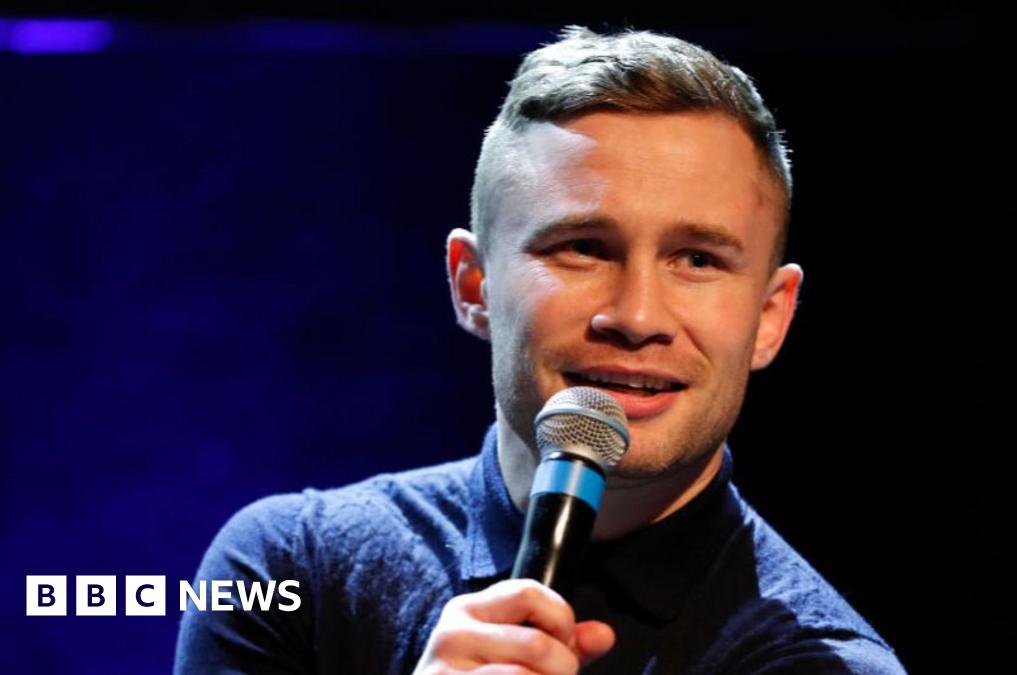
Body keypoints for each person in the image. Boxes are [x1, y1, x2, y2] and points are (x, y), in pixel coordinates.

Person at [174, 26, 905, 674]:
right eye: (583, 247)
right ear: (474, 286)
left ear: (771, 317)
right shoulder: (291, 571)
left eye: (697, 260)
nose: (637, 316)